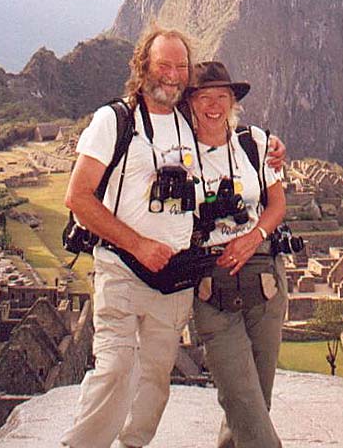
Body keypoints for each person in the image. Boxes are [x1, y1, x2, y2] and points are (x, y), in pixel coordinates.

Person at [61, 29, 286, 448]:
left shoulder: (192, 125)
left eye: (180, 67)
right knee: (114, 367)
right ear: (142, 66)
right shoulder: (116, 120)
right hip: (124, 267)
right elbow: (77, 197)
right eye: (163, 65)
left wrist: (273, 147)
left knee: (156, 378)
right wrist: (138, 245)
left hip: (175, 277)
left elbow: (235, 144)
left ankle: (132, 444)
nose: (171, 74)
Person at [188, 61, 287, 448]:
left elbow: (277, 205)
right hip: (212, 286)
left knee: (257, 397)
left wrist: (254, 235)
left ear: (233, 101)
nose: (214, 105)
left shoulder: (254, 142)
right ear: (190, 102)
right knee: (240, 395)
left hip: (263, 277)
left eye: (221, 97)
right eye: (204, 97)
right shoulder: (176, 150)